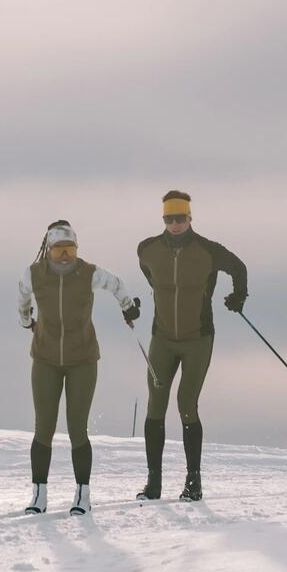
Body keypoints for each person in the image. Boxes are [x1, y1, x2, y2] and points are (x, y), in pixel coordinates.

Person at [17, 220, 140, 515]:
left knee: (77, 428)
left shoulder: (88, 273)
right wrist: (26, 321)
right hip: (45, 359)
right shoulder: (34, 274)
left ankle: (82, 495)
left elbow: (117, 284)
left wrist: (127, 306)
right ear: (48, 249)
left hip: (82, 359)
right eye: (59, 250)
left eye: (70, 250)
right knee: (43, 427)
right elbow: (22, 298)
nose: (64, 257)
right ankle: (38, 495)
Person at [135, 190, 248, 502]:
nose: (175, 224)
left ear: (189, 218)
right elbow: (151, 277)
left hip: (198, 339)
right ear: (163, 219)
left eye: (180, 218)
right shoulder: (147, 249)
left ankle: (193, 482)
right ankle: (153, 483)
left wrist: (238, 296)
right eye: (169, 219)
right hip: (162, 339)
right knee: (155, 406)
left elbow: (239, 268)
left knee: (187, 404)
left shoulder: (208, 250)